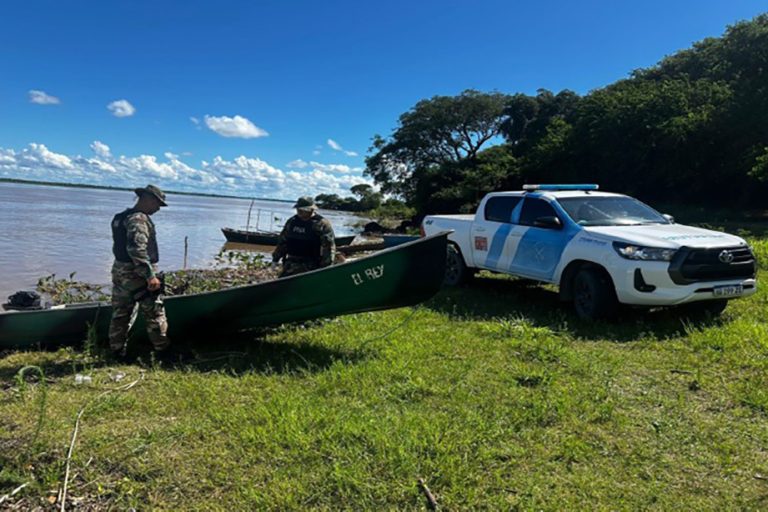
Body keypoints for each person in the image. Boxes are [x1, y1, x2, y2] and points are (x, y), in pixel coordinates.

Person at [108, 184, 171, 360]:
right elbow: (137, 249)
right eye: (157, 204)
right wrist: (150, 275)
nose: (158, 208)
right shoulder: (139, 220)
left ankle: (117, 351)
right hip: (137, 274)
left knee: (120, 313)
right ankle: (163, 351)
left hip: (120, 271)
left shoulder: (120, 217)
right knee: (154, 312)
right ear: (148, 199)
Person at [272, 197, 336, 277]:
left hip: (311, 265)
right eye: (298, 209)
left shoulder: (321, 224)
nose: (299, 211)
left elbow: (329, 247)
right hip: (290, 263)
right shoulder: (292, 221)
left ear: (311, 210)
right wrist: (275, 259)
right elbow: (283, 241)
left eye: (303, 209)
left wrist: (325, 267)